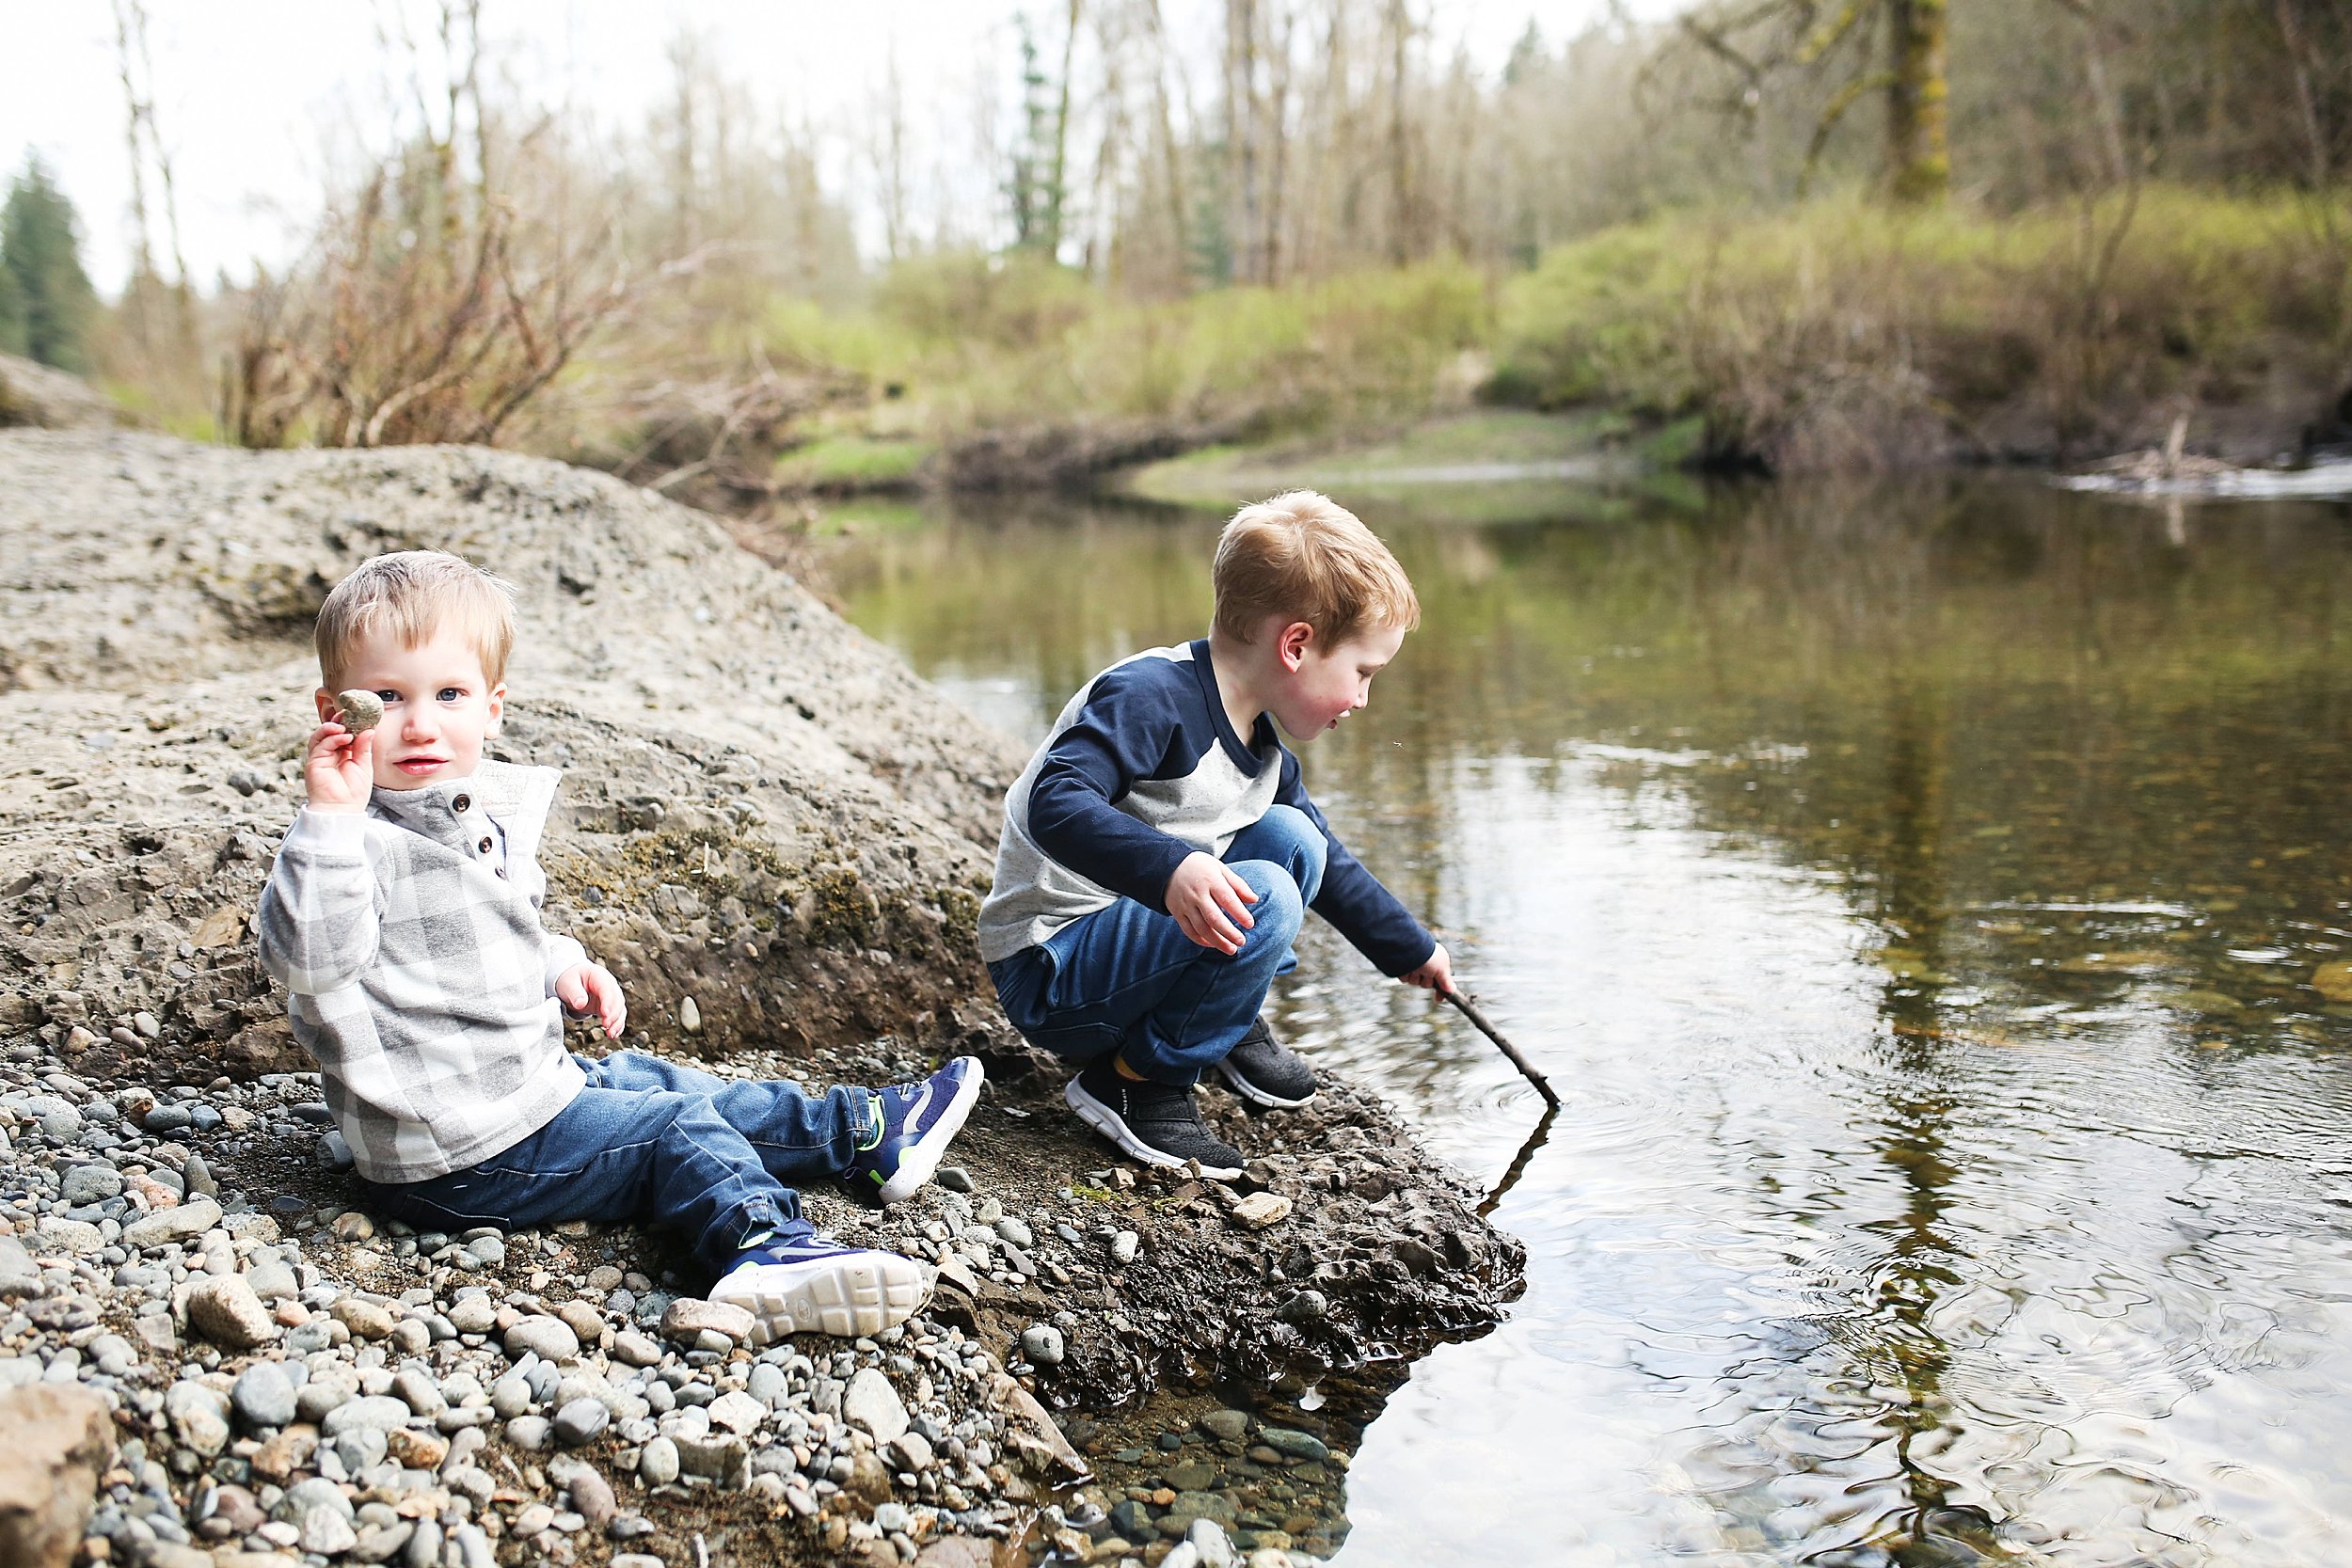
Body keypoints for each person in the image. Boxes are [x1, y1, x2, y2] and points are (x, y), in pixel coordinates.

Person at [255, 550, 980, 1340]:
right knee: (668, 1128)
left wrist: (562, 962)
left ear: (493, 707)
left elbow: (490, 933)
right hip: (457, 1151)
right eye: (389, 698)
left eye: (449, 694)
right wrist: (326, 814)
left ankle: (862, 1135)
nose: (421, 722)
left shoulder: (463, 813)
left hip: (515, 1090)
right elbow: (309, 961)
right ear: (338, 712)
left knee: (656, 1078)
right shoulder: (348, 843)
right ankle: (764, 1248)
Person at [979, 492, 1452, 1179]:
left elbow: (1334, 864)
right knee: (1266, 895)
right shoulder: (1149, 698)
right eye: (1361, 673)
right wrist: (1171, 869)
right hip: (1054, 971)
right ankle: (1135, 1084)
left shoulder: (1261, 747)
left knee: (1295, 839)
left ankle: (1222, 1020)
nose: (1362, 699)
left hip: (1124, 950)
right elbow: (1055, 799)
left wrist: (1411, 948)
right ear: (1296, 645)